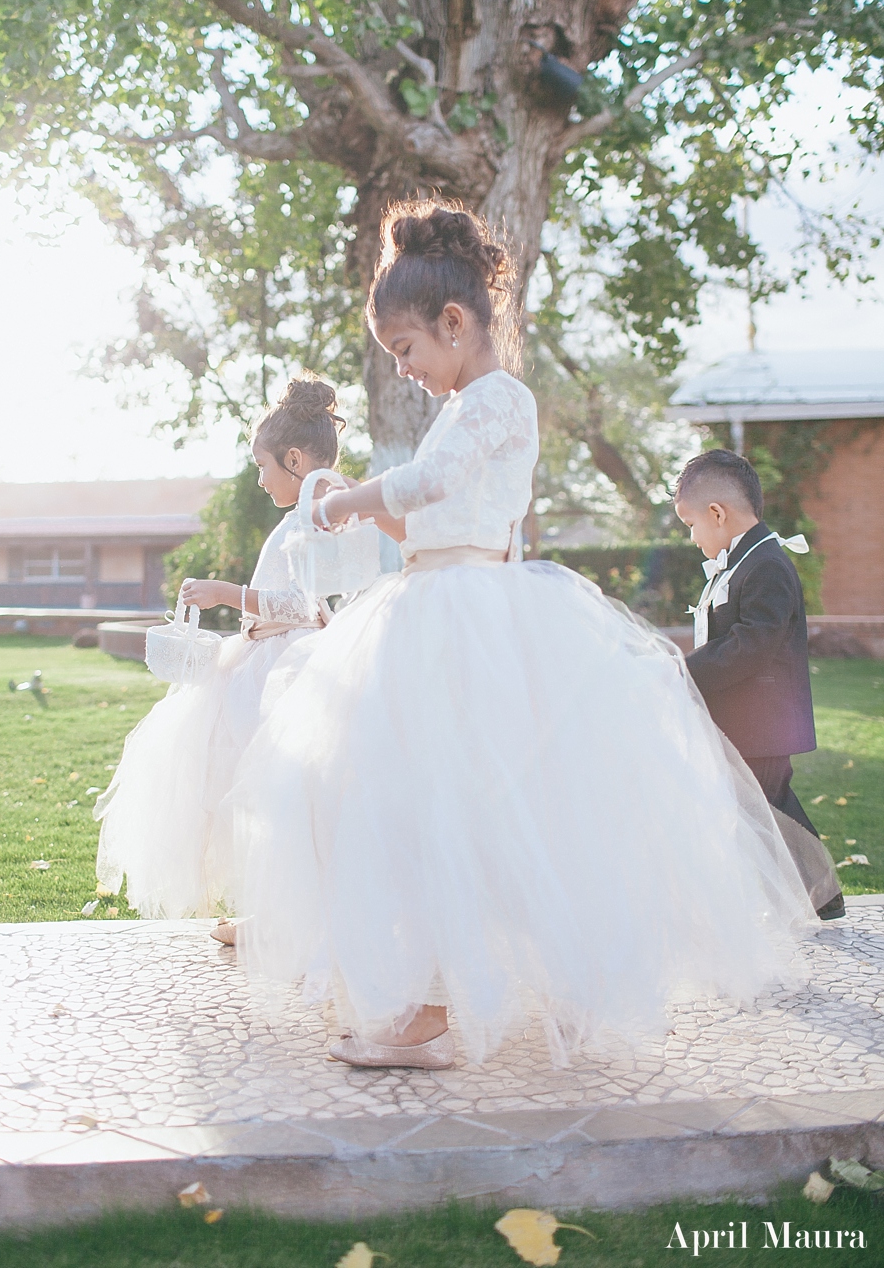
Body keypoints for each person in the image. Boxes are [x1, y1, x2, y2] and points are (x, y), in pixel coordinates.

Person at [227, 201, 815, 1072]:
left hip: (471, 621)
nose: (407, 370)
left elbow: (434, 482)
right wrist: (367, 518)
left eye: (408, 351)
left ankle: (438, 1005)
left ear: (454, 323)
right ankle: (437, 991)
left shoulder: (496, 400)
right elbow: (432, 519)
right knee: (425, 803)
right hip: (434, 605)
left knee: (464, 803)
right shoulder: (465, 403)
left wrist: (344, 498)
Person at [94, 377, 346, 936]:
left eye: (263, 466)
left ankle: (290, 918)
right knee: (255, 793)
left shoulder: (318, 513)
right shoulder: (308, 509)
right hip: (262, 657)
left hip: (285, 670)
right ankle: (274, 911)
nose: (259, 479)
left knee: (279, 792)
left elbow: (307, 604)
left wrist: (225, 594)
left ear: (296, 459)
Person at [674, 449, 844, 921]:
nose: (691, 537)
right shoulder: (743, 561)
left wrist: (686, 672)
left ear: (717, 513)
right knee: (763, 809)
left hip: (762, 720)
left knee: (766, 809)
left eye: (690, 524)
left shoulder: (765, 565)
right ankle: (813, 896)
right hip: (742, 717)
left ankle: (811, 897)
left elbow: (753, 643)